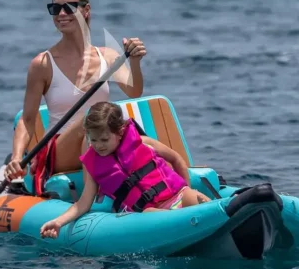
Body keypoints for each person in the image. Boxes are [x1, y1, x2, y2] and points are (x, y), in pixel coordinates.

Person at [3, 0, 147, 195]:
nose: (61, 14)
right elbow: (28, 119)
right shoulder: (42, 64)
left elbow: (134, 92)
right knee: (92, 118)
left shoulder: (108, 56)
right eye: (55, 9)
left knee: (126, 129)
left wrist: (134, 61)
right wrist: (16, 157)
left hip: (100, 140)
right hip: (59, 151)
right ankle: (92, 199)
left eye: (69, 7)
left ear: (86, 10)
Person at [40, 101, 211, 238]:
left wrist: (186, 188)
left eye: (104, 140)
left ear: (120, 132)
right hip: (151, 214)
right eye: (93, 140)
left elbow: (176, 159)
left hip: (177, 196)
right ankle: (189, 224)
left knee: (193, 197)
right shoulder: (94, 167)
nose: (98, 146)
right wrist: (58, 222)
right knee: (149, 213)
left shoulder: (144, 143)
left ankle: (214, 215)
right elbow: (83, 204)